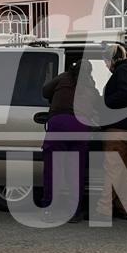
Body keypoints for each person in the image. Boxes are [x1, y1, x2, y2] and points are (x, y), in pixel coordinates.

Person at [40, 59, 97, 222]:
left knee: (53, 170)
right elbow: (97, 105)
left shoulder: (63, 77)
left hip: (59, 124)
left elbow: (45, 91)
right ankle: (74, 212)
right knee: (75, 171)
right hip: (80, 126)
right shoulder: (90, 85)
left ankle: (49, 210)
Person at [95, 44, 127, 221]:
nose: (106, 66)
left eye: (106, 62)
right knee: (125, 169)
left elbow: (125, 94)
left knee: (112, 169)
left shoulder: (122, 71)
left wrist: (105, 102)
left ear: (113, 59)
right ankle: (124, 207)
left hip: (118, 128)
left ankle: (104, 209)